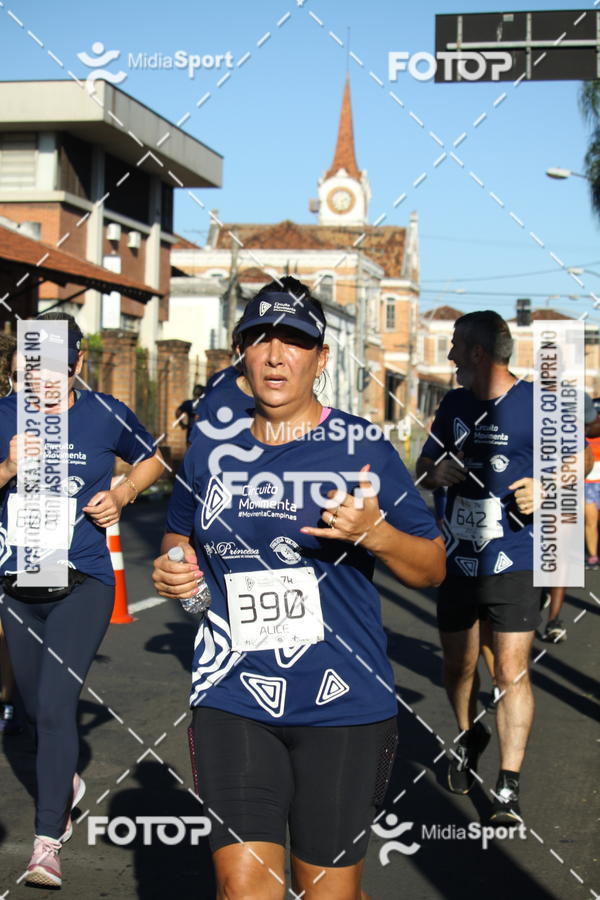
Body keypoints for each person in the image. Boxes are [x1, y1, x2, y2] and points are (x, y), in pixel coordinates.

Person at [152, 279, 445, 899]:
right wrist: (178, 573)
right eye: (260, 339)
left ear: (321, 357)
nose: (276, 355)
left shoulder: (362, 448)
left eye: (295, 341)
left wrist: (377, 534)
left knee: (325, 893)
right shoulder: (208, 447)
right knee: (244, 889)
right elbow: (178, 537)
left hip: (344, 703)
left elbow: (433, 568)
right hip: (232, 694)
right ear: (241, 353)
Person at [0, 312, 164, 888]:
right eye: (30, 363)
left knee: (53, 706)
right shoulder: (1, 417)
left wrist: (122, 491)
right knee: (33, 705)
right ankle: (64, 778)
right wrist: (10, 466)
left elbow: (155, 456)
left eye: (53, 365)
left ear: (76, 365)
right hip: (18, 584)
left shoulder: (103, 414)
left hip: (85, 579)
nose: (40, 377)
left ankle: (47, 843)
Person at [417, 310, 539, 827]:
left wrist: (550, 489)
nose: (448, 357)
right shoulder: (455, 404)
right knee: (459, 666)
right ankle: (470, 735)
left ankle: (508, 785)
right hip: (459, 558)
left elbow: (575, 462)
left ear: (478, 353)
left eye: (454, 348)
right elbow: (424, 466)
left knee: (509, 670)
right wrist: (434, 471)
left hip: (516, 556)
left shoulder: (537, 403)